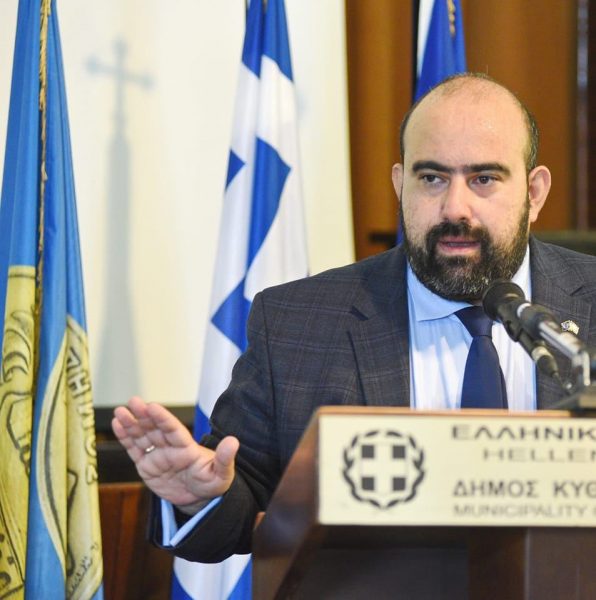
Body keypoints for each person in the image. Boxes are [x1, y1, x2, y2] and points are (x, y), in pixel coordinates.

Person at [112, 73, 596, 562]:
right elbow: (244, 494)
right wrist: (201, 497)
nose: (455, 208)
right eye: (431, 178)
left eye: (483, 179)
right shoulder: (297, 323)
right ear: (399, 184)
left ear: (534, 192)